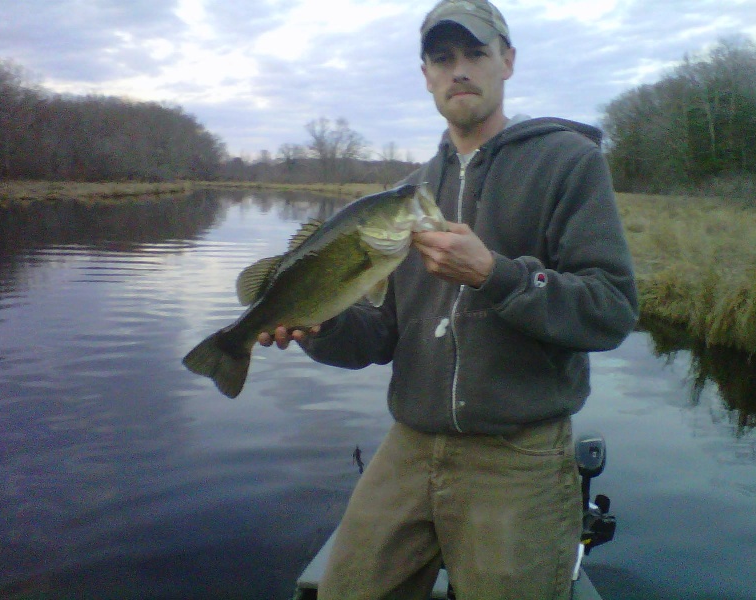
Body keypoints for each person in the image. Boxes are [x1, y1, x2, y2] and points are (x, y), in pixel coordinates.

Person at [260, 0, 639, 597]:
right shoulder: (404, 197)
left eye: (475, 54)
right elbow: (378, 337)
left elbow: (611, 308)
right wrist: (320, 324)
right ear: (426, 76)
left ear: (507, 62)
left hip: (520, 455)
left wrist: (498, 276)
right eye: (442, 59)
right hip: (410, 444)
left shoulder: (567, 163)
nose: (458, 70)